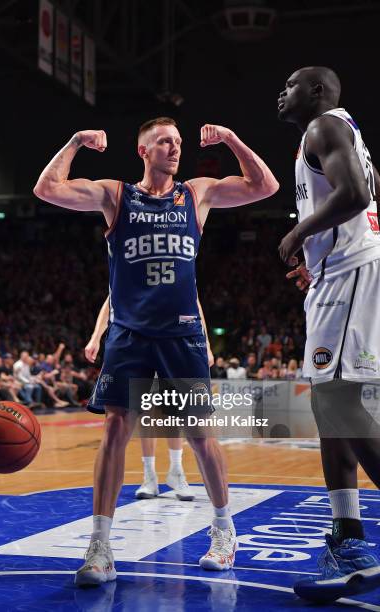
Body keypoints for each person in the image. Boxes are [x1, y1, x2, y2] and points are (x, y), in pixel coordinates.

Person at [34, 117, 278, 586]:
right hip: (129, 333)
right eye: (164, 142)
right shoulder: (116, 194)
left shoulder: (198, 192)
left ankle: (225, 533)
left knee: (201, 437)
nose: (175, 148)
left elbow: (264, 186)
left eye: (179, 142)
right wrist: (75, 141)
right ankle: (101, 547)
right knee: (114, 433)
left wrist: (231, 139)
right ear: (143, 150)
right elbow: (48, 189)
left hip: (183, 335)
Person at [278, 66, 380, 602]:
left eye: (289, 85)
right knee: (331, 407)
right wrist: (320, 255)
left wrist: (299, 234)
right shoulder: (344, 131)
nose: (281, 93)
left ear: (316, 93)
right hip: (340, 271)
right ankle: (349, 540)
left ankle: (350, 539)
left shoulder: (323, 128)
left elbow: (359, 193)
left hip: (348, 274)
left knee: (339, 406)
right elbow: (376, 190)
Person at [85, 295, 215, 502]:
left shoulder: (177, 264)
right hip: (137, 339)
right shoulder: (129, 267)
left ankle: (176, 470)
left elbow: (193, 299)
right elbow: (112, 298)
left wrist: (205, 342)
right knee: (147, 411)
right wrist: (95, 336)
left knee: (175, 410)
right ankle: (149, 475)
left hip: (173, 339)